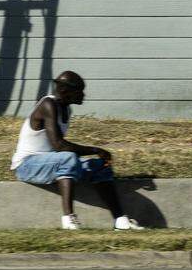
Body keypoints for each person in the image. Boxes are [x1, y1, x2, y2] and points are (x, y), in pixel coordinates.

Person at [10, 71, 145, 230]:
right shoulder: (48, 105)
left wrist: (97, 155)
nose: (83, 94)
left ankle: (120, 220)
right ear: (64, 91)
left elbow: (58, 150)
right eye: (79, 90)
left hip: (50, 163)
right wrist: (94, 149)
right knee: (68, 158)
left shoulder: (66, 110)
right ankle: (69, 219)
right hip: (26, 166)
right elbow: (58, 145)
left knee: (100, 165)